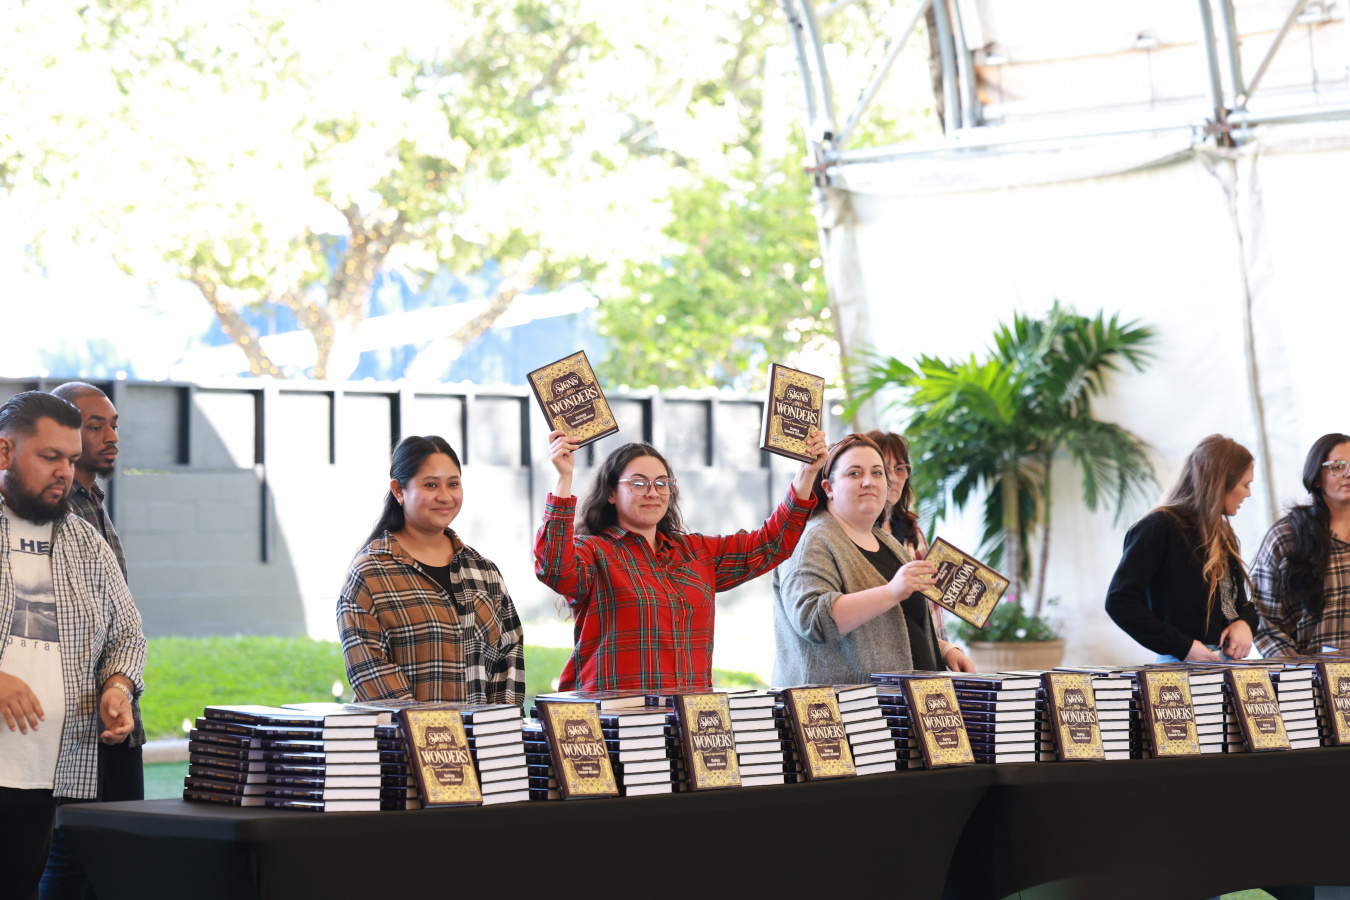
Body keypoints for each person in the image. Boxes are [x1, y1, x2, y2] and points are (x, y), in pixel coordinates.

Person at [536, 426, 827, 693]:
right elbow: (554, 568)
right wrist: (564, 478)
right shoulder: (593, 552)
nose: (652, 492)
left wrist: (807, 472)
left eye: (662, 483)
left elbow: (770, 544)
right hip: (615, 721)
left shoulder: (696, 552)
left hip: (689, 720)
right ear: (611, 492)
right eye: (638, 483)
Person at [0, 392, 145, 900]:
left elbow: (127, 633)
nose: (64, 471)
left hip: (46, 774)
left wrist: (117, 686)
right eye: (49, 457)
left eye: (70, 458)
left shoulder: (84, 540)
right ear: (4, 452)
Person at [337, 435, 524, 706]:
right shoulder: (369, 574)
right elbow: (371, 675)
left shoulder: (484, 572)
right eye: (431, 485)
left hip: (484, 734)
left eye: (453, 484)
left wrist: (498, 725)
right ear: (398, 491)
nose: (445, 496)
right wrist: (433, 730)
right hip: (401, 734)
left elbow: (509, 658)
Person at [772, 434, 951, 684]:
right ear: (829, 488)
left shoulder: (888, 542)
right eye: (854, 473)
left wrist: (944, 651)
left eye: (877, 473)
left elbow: (903, 625)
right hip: (840, 706)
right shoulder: (810, 539)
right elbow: (812, 619)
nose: (869, 482)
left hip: (911, 701)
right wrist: (891, 591)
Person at [1105, 434, 1260, 662]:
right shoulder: (1158, 528)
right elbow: (1120, 601)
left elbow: (1236, 603)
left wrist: (1245, 622)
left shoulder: (1223, 534)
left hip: (1225, 664)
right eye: (1245, 485)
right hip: (1179, 665)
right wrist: (1183, 646)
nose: (1248, 494)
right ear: (1221, 483)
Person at [865, 429, 975, 672]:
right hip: (880, 667)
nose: (893, 478)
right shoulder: (855, 533)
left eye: (900, 468)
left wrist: (944, 648)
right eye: (881, 469)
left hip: (923, 664)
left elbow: (929, 609)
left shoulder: (911, 532)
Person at [1252, 433, 1350, 657]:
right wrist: (1299, 672)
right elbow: (1264, 623)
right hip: (1313, 674)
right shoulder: (1286, 538)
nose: (1348, 473)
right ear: (1316, 478)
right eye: (1337, 466)